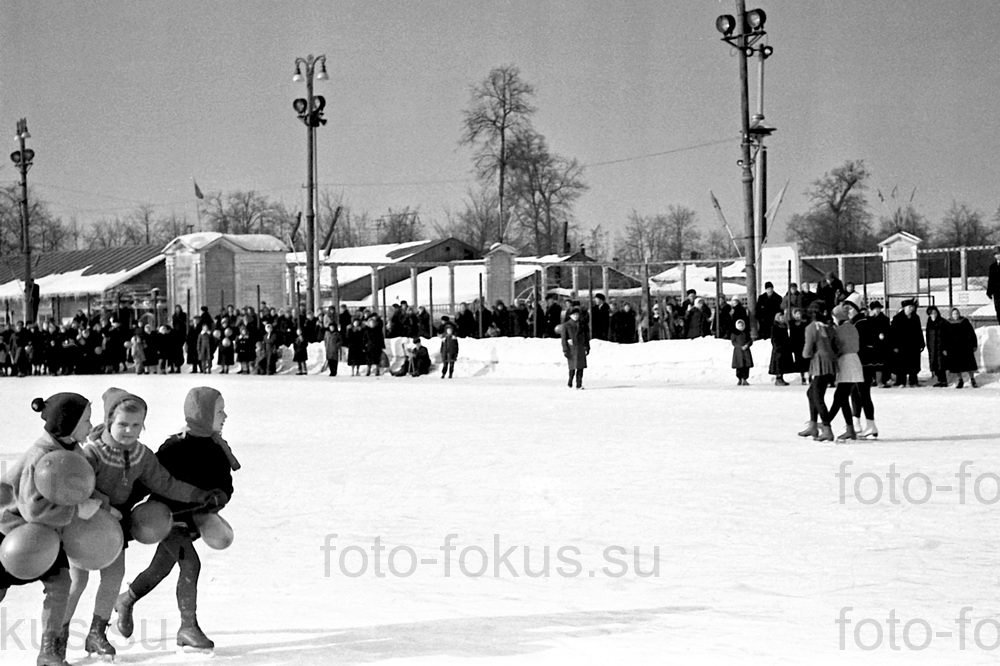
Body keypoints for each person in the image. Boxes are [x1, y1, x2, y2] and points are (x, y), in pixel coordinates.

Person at [63, 389, 225, 661]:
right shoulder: (93, 453)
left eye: (136, 425)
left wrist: (198, 495)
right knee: (77, 580)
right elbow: (77, 486)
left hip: (116, 527)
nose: (129, 430)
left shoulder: (141, 454)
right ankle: (57, 637)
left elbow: (164, 482)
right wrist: (105, 504)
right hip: (85, 523)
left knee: (114, 578)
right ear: (109, 420)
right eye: (123, 424)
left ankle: (96, 633)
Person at [115, 387, 239, 652]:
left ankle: (126, 599)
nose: (225, 415)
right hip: (166, 519)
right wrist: (123, 511)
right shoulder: (176, 446)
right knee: (190, 564)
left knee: (160, 569)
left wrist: (220, 496)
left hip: (193, 521)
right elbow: (149, 480)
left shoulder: (217, 448)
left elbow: (225, 484)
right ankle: (188, 627)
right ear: (203, 413)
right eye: (219, 411)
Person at [1, 394, 97, 666]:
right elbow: (33, 510)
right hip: (12, 531)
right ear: (67, 425)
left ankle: (49, 651)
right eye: (87, 420)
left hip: (42, 535)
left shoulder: (69, 449)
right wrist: (76, 510)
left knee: (60, 584)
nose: (91, 425)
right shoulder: (42, 457)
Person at [799, 300, 838, 442]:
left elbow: (807, 352)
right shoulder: (829, 327)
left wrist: (805, 354)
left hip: (819, 363)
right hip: (831, 363)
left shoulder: (811, 328)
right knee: (811, 393)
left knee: (817, 396)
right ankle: (813, 424)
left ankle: (827, 428)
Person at [826, 303, 865, 441]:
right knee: (842, 396)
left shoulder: (840, 330)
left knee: (840, 396)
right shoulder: (853, 328)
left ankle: (827, 423)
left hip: (845, 362)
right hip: (855, 360)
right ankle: (848, 428)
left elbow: (838, 347)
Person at [889, 300, 924, 387]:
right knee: (901, 364)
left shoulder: (916, 317)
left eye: (912, 307)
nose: (911, 309)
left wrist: (921, 343)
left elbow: (919, 331)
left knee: (914, 364)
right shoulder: (897, 318)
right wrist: (894, 346)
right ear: (904, 308)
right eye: (909, 307)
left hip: (913, 345)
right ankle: (901, 381)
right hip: (901, 346)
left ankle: (913, 381)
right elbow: (893, 333)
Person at [857, 300, 891, 389]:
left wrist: (883, 335)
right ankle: (872, 380)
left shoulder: (884, 319)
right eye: (876, 309)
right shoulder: (867, 320)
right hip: (869, 344)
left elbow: (888, 331)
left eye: (879, 309)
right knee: (870, 364)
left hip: (881, 344)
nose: (877, 310)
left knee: (879, 363)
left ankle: (880, 381)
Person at [945, 308, 978, 388]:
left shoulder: (965, 322)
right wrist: (945, 348)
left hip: (966, 347)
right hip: (954, 348)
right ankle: (960, 380)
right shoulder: (948, 323)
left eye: (957, 313)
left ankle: (972, 379)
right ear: (951, 315)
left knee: (969, 365)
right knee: (957, 366)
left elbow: (972, 333)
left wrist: (974, 344)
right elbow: (945, 337)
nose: (955, 315)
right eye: (953, 314)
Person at [560, 307, 589, 389]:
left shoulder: (582, 324)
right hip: (571, 348)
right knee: (572, 367)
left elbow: (586, 337)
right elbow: (563, 339)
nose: (576, 316)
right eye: (574, 315)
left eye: (577, 314)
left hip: (580, 348)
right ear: (570, 316)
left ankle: (579, 384)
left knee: (581, 367)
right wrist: (565, 349)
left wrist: (587, 347)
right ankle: (570, 381)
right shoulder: (566, 325)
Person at [925, 306, 948, 387]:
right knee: (934, 364)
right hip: (932, 347)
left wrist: (945, 348)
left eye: (935, 313)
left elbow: (947, 336)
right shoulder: (929, 322)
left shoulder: (943, 322)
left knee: (941, 364)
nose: (933, 315)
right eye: (931, 313)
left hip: (941, 347)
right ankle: (939, 380)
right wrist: (928, 346)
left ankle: (943, 381)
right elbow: (928, 335)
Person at [769, 311, 793, 385]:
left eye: (783, 317)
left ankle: (781, 378)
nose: (782, 318)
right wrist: (777, 346)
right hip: (778, 348)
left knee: (783, 364)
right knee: (778, 364)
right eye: (780, 317)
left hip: (784, 347)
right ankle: (778, 379)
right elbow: (774, 338)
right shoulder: (775, 326)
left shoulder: (784, 326)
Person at [788, 307, 809, 385]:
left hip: (804, 343)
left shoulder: (805, 323)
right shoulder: (792, 323)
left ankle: (808, 377)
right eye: (796, 314)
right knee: (799, 362)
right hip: (796, 345)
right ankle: (802, 377)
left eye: (799, 314)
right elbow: (792, 335)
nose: (798, 315)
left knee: (806, 361)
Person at [731, 318, 753, 386]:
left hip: (746, 351)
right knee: (739, 365)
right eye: (739, 325)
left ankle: (745, 378)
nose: (741, 327)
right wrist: (740, 347)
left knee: (746, 365)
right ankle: (740, 379)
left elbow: (750, 340)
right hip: (738, 352)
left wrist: (747, 345)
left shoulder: (746, 333)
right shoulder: (734, 333)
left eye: (742, 325)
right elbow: (733, 342)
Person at [986, 246, 1000, 326]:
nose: (998, 256)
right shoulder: (993, 266)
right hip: (997, 293)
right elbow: (991, 280)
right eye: (996, 254)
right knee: (998, 310)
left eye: (999, 253)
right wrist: (989, 291)